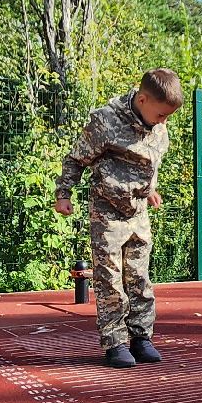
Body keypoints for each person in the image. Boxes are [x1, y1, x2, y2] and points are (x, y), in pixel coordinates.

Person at [55, 69, 184, 367]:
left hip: (138, 211)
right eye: (161, 115)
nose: (164, 122)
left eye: (168, 117)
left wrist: (150, 190)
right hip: (107, 211)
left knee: (139, 276)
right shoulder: (106, 121)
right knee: (110, 278)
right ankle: (115, 342)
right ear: (142, 99)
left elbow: (151, 163)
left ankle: (141, 337)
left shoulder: (158, 126)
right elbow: (75, 159)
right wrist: (64, 194)